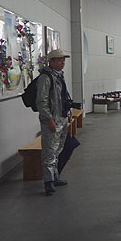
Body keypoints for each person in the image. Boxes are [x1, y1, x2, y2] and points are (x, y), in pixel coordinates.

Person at [36, 49, 73, 196]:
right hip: (52, 120)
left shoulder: (59, 76)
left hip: (62, 118)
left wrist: (68, 113)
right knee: (49, 150)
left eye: (63, 60)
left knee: (58, 149)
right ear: (51, 62)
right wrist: (48, 119)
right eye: (59, 60)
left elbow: (63, 97)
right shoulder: (46, 78)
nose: (62, 62)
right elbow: (42, 101)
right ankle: (48, 181)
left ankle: (55, 176)